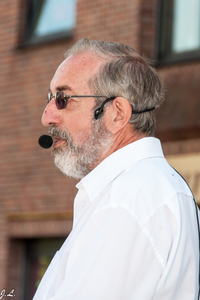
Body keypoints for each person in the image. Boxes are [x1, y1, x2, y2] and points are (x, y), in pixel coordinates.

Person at [33, 38, 199, 300]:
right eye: (50, 98)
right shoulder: (145, 188)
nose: (47, 116)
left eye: (63, 98)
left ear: (117, 114)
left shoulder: (127, 201)